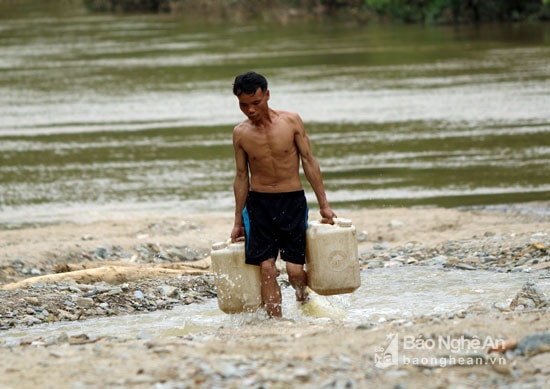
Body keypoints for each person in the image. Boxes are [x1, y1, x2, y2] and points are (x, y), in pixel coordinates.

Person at [230, 71, 337, 318]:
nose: (251, 110)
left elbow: (309, 161)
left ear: (267, 95)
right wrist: (237, 221)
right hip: (259, 205)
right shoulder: (241, 133)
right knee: (266, 268)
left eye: (256, 103)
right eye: (243, 105)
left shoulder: (291, 121)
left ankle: (303, 301)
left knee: (295, 270)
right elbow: (241, 176)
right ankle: (275, 322)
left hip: (292, 202)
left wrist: (324, 204)